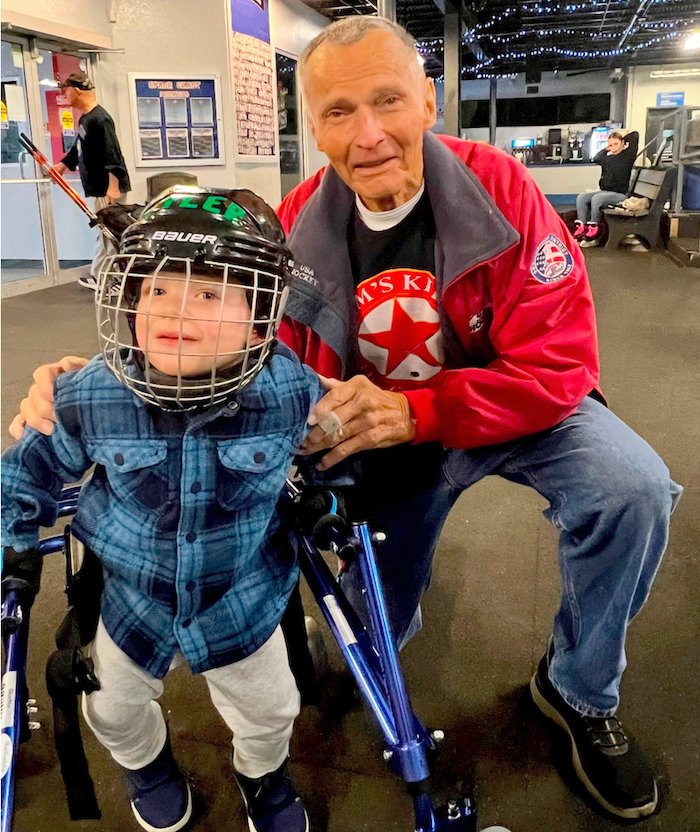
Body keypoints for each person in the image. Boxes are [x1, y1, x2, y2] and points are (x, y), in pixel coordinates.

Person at [11, 17, 681, 823]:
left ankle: (578, 690)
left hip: (509, 406)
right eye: (336, 112)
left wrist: (423, 408)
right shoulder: (291, 229)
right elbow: (244, 358)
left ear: (428, 101)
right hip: (369, 433)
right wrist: (109, 381)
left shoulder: (503, 193)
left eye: (388, 100)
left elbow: (562, 367)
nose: (367, 135)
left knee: (632, 486)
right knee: (372, 642)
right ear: (313, 126)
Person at [2, 188, 322, 832]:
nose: (175, 308)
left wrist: (335, 487)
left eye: (208, 293)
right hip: (133, 597)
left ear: (261, 323)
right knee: (112, 711)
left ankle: (263, 777)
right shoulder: (92, 392)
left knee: (271, 710)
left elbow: (333, 440)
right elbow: (24, 476)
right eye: (156, 290)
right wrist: (12, 542)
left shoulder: (287, 387)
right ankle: (146, 767)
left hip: (240, 594)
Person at [51, 71, 131, 289]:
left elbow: (112, 154)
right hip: (99, 188)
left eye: (65, 91)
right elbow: (80, 147)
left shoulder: (100, 119)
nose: (63, 95)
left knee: (107, 234)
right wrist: (63, 165)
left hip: (107, 188)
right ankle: (106, 277)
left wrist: (112, 188)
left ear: (77, 91)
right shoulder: (87, 119)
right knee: (103, 232)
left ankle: (107, 279)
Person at [574, 129, 640, 248]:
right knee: (582, 197)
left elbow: (635, 136)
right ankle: (582, 228)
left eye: (616, 144)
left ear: (623, 144)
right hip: (605, 192)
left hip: (620, 194)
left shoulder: (627, 156)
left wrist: (623, 135)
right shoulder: (607, 158)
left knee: (597, 198)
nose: (613, 147)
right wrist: (606, 148)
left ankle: (594, 232)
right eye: (610, 144)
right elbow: (596, 158)